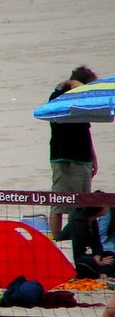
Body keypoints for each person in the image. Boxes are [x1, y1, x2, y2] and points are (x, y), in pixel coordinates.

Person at [48, 65, 99, 238]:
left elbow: (86, 131)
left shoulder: (84, 100)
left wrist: (93, 158)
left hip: (83, 158)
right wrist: (72, 83)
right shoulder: (59, 97)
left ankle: (76, 236)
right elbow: (55, 101)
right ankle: (58, 240)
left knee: (82, 204)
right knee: (60, 203)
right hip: (66, 159)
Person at [62, 204, 115, 279]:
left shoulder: (93, 221)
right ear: (97, 209)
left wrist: (97, 256)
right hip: (70, 256)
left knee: (111, 255)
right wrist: (97, 262)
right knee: (89, 261)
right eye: (105, 206)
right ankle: (98, 275)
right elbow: (76, 252)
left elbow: (97, 244)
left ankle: (104, 273)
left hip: (83, 254)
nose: (107, 208)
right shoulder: (79, 224)